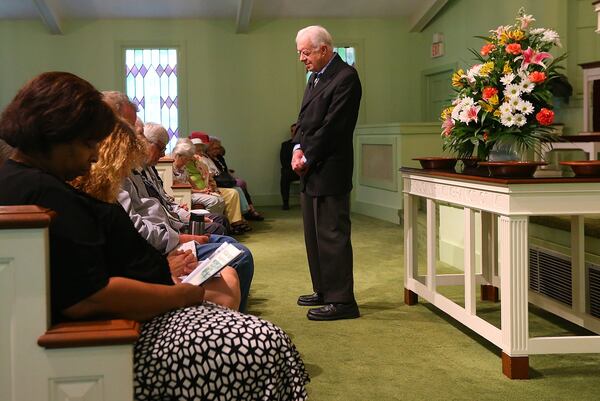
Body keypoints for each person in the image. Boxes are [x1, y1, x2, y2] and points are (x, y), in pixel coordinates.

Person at [0, 71, 309, 400]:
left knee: (246, 310)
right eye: (89, 143)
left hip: (140, 310)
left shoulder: (34, 181)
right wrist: (183, 296)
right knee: (264, 344)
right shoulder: (41, 189)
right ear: (56, 132)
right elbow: (89, 297)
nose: (93, 155)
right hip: (123, 334)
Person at [292, 26, 362, 321]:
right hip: (311, 168)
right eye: (299, 53)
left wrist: (307, 155)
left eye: (305, 52)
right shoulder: (314, 78)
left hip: (330, 168)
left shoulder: (346, 78)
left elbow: (334, 128)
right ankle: (323, 289)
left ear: (324, 49)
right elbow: (304, 121)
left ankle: (343, 301)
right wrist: (296, 147)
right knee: (314, 235)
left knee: (332, 234)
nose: (301, 59)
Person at [280, 123, 300, 210]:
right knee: (284, 175)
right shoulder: (285, 145)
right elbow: (283, 161)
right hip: (291, 171)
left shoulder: (305, 143)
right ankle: (285, 203)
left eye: (295, 130)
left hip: (303, 170)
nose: (293, 132)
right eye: (292, 131)